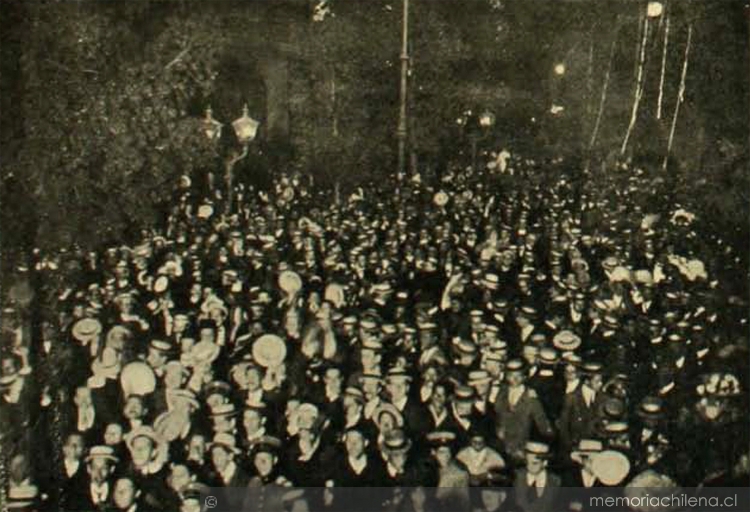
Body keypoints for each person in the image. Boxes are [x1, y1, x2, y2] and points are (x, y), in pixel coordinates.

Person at [494, 360, 553, 464]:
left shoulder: (531, 397)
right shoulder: (501, 392)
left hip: (521, 448)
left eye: (519, 375)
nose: (515, 379)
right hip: (501, 446)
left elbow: (542, 423)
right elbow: (495, 414)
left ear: (524, 377)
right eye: (511, 375)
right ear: (506, 376)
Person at [513, 442, 560, 512]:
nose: (534, 457)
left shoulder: (557, 482)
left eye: (540, 455)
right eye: (530, 453)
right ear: (525, 456)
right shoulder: (514, 478)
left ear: (546, 460)